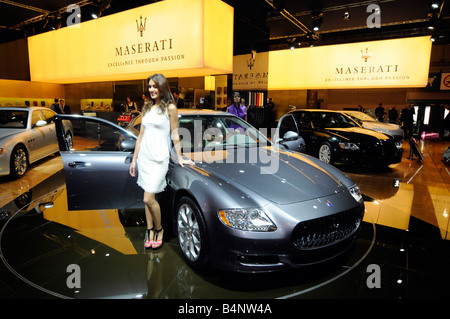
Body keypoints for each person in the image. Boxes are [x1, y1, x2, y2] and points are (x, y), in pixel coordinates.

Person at [129, 73, 194, 250]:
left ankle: (160, 229)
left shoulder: (171, 108)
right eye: (149, 86)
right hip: (145, 158)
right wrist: (134, 160)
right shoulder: (147, 108)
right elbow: (140, 136)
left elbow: (174, 133)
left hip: (159, 159)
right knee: (146, 199)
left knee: (148, 199)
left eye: (155, 86)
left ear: (162, 88)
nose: (151, 90)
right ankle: (150, 230)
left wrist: (180, 157)